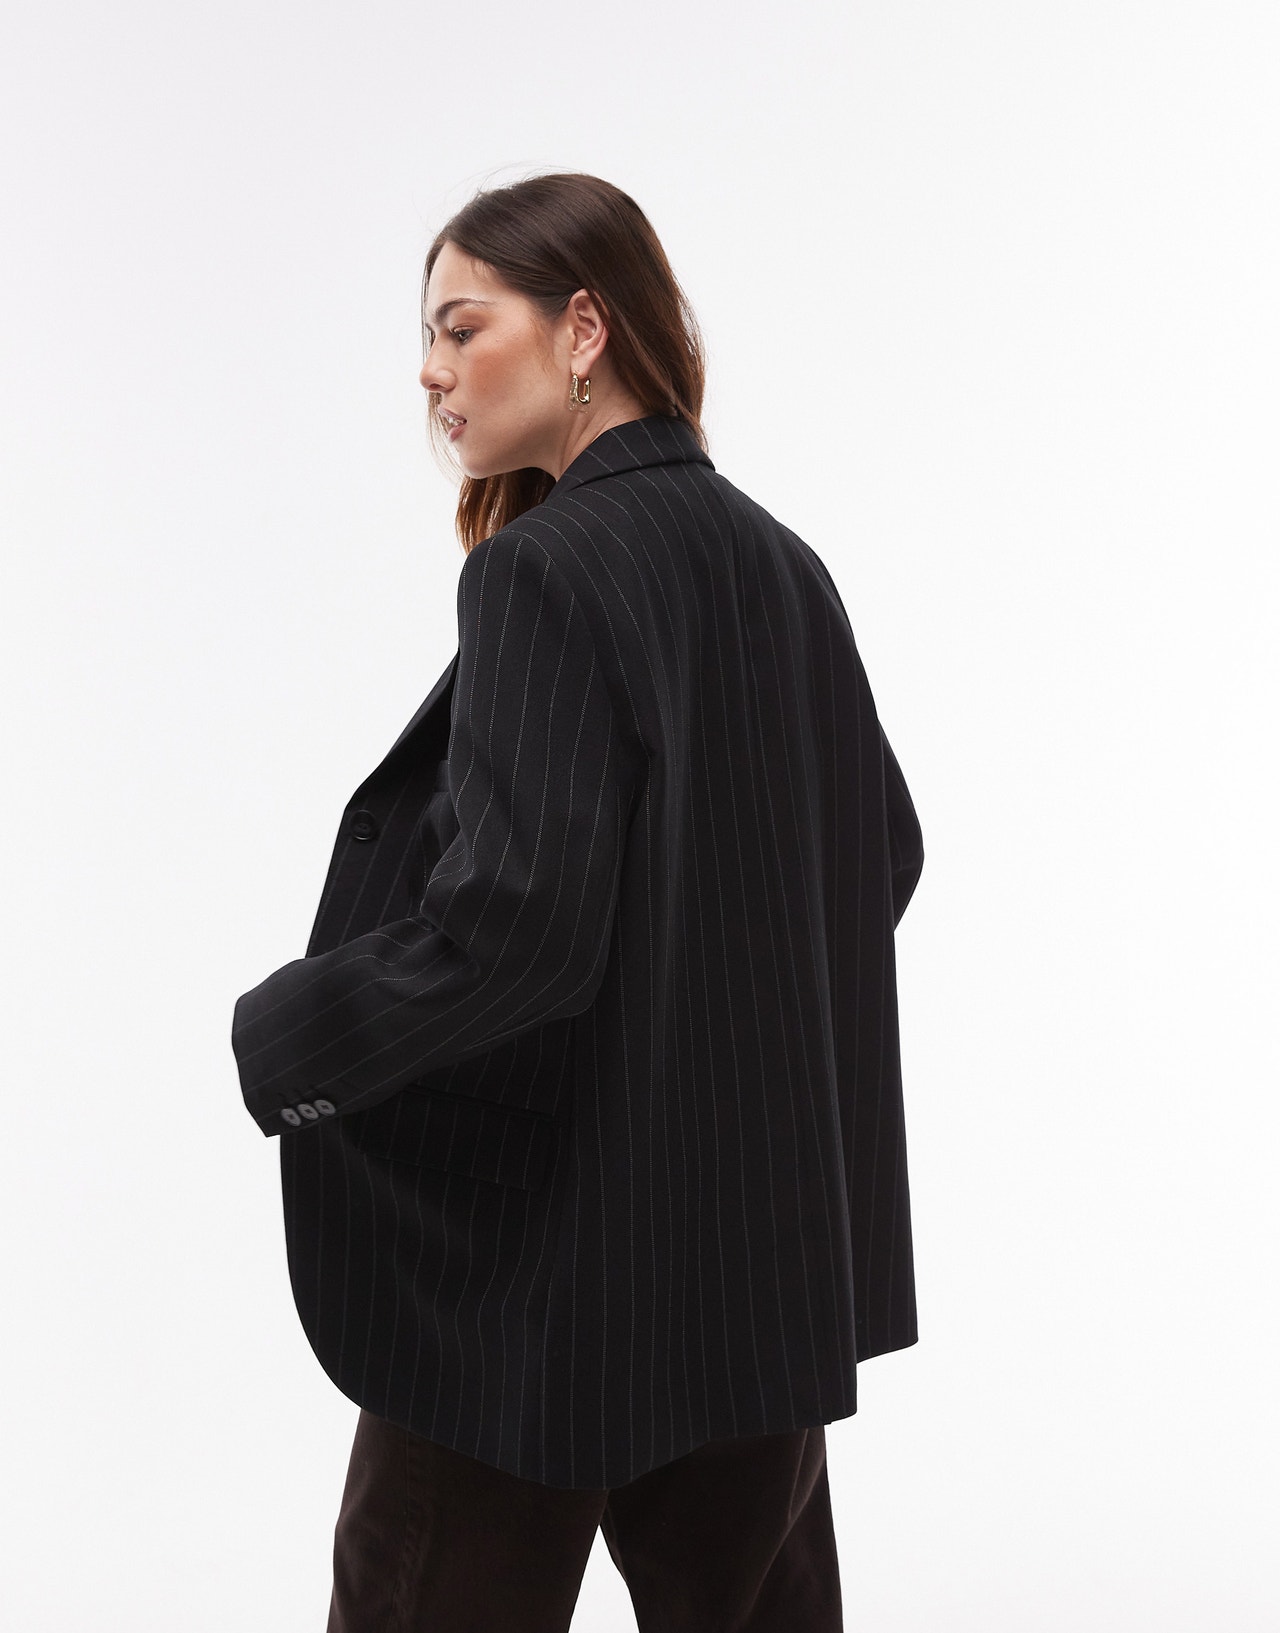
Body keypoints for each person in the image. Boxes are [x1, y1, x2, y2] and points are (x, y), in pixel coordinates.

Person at [231, 170, 925, 1632]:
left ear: (585, 328)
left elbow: (522, 928)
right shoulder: (782, 565)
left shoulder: (543, 573)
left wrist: (294, 1035)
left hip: (533, 1282)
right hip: (752, 1274)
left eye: (461, 325)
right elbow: (882, 855)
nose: (430, 370)